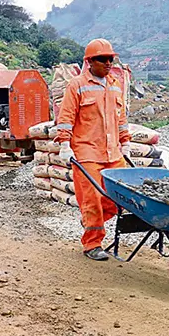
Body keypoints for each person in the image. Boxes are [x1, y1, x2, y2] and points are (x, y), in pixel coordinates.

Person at [55, 39, 133, 261]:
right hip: (87, 153)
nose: (108, 63)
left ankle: (91, 220)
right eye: (103, 59)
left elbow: (122, 118)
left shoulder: (115, 84)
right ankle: (92, 243)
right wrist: (64, 144)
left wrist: (125, 141)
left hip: (113, 153)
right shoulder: (77, 86)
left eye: (111, 59)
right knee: (92, 200)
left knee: (121, 197)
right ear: (89, 62)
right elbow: (66, 117)